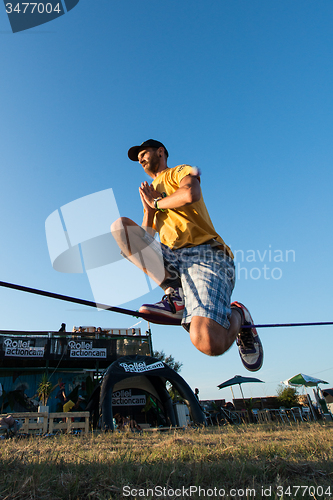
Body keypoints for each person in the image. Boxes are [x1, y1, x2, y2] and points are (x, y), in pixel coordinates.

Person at [111, 139, 263, 371]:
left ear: (160, 152)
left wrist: (158, 202)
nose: (140, 159)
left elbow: (191, 193)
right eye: (138, 157)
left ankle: (239, 315)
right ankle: (176, 293)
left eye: (144, 153)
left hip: (206, 255)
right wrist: (149, 210)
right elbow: (147, 238)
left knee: (208, 341)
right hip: (174, 260)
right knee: (121, 228)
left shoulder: (179, 171)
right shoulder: (152, 193)